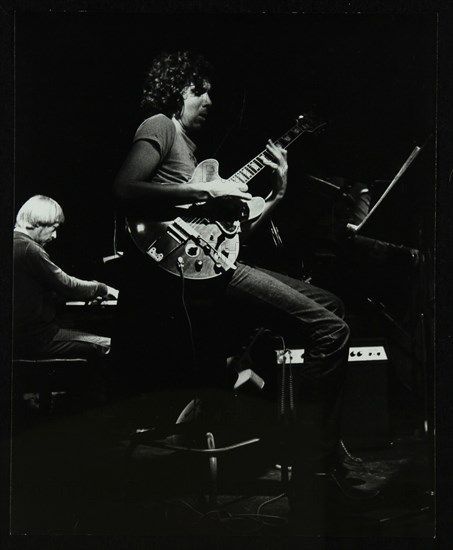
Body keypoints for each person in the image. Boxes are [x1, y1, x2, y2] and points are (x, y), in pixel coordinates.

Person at [113, 51, 377, 515]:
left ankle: (326, 453)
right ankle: (315, 468)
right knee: (331, 331)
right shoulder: (159, 125)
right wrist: (204, 191)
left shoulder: (197, 155)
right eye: (200, 90)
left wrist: (276, 194)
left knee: (332, 306)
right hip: (199, 276)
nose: (210, 99)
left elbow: (238, 234)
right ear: (177, 92)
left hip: (219, 260)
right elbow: (125, 189)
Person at [13, 195, 118, 360]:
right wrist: (102, 288)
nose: (54, 236)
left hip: (19, 339)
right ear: (38, 222)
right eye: (53, 228)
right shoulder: (29, 249)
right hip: (39, 339)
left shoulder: (13, 243)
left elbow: (30, 293)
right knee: (111, 345)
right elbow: (68, 285)